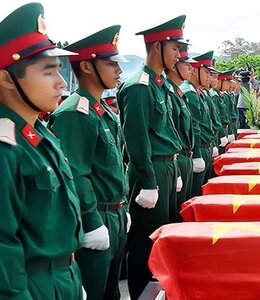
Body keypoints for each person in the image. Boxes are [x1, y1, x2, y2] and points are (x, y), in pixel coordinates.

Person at [0, 3, 84, 299]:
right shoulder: (5, 145)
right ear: (7, 78)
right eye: (48, 72)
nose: (62, 83)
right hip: (31, 285)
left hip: (61, 277)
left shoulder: (38, 132)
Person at [48, 25, 128, 300]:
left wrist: (122, 208)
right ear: (86, 66)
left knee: (112, 292)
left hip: (114, 214)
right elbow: (76, 174)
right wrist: (93, 222)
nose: (118, 70)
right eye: (110, 64)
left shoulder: (101, 110)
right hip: (97, 218)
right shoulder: (74, 113)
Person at [117, 15, 187, 299]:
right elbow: (137, 139)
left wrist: (176, 168)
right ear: (156, 47)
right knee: (146, 243)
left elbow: (167, 130)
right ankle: (141, 294)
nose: (178, 55)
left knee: (163, 238)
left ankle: (159, 291)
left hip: (166, 167)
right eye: (173, 48)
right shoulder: (139, 86)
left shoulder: (160, 85)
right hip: (152, 171)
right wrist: (147, 180)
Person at [165, 43, 196, 212]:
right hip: (174, 161)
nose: (191, 69)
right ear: (174, 67)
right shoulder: (169, 92)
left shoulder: (177, 92)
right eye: (186, 64)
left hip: (182, 160)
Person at [180, 52, 215, 196]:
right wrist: (197, 154)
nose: (209, 77)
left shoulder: (198, 92)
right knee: (195, 195)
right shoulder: (189, 92)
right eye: (206, 72)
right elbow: (194, 126)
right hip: (196, 151)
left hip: (205, 147)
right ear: (195, 70)